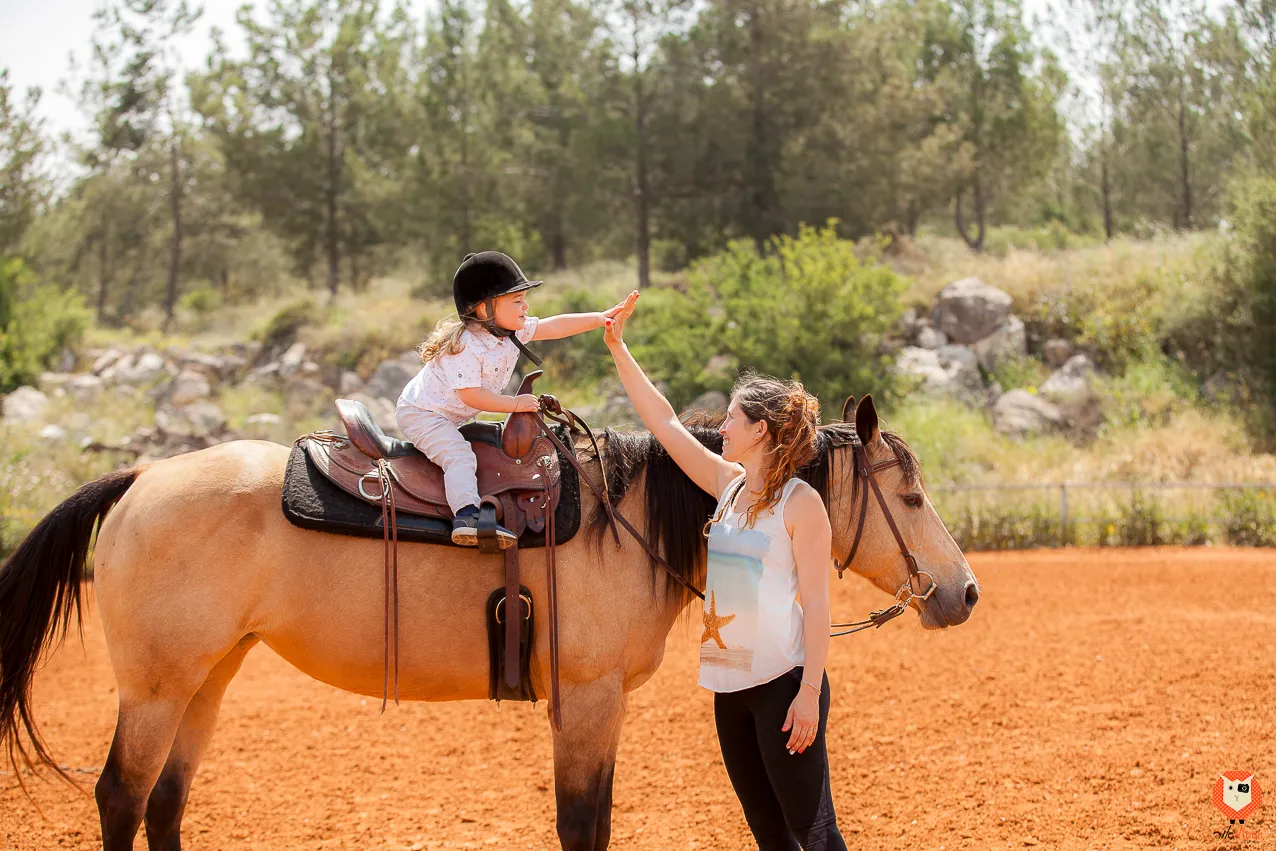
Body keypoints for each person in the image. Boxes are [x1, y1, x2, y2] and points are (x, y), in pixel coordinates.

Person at [604, 290, 848, 850]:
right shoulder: (727, 486)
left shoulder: (800, 504)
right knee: (768, 834)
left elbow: (818, 606)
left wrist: (809, 692)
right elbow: (664, 422)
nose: (723, 429)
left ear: (761, 430)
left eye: (733, 420)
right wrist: (619, 347)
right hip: (728, 688)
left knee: (814, 833)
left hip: (784, 688)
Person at [396, 251, 629, 547]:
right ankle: (466, 516)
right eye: (517, 301)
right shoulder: (466, 347)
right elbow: (472, 395)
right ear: (484, 310)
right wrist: (514, 404)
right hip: (423, 413)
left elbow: (553, 326)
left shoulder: (510, 333)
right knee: (459, 454)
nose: (526, 306)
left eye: (524, 299)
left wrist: (600, 318)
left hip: (453, 414)